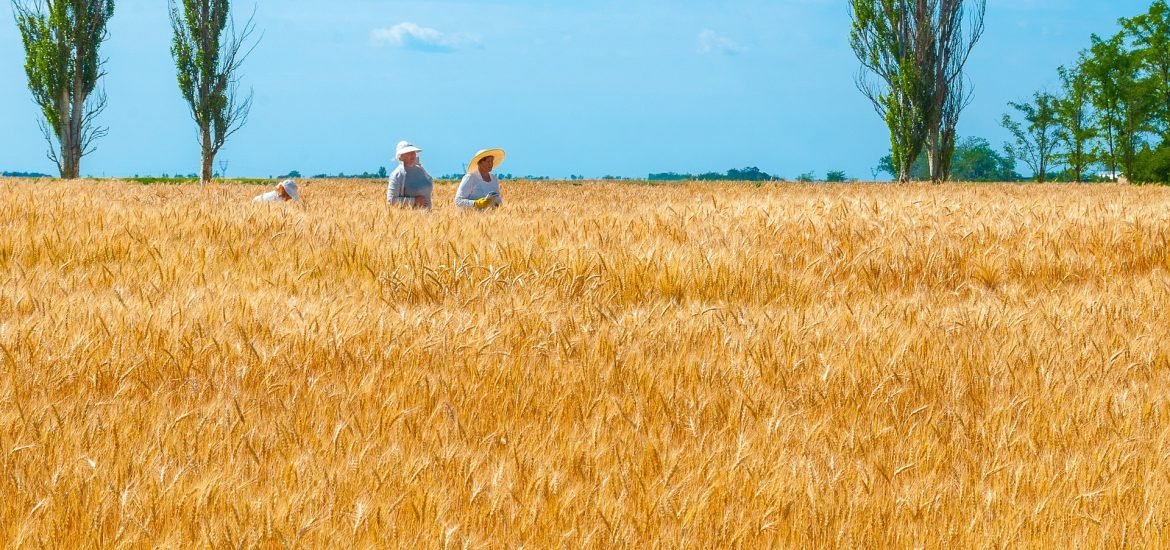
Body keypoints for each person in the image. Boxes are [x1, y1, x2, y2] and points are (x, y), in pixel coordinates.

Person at [387, 141, 434, 209]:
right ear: (401, 156)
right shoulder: (397, 175)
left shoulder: (421, 169)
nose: (412, 155)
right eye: (408, 153)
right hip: (409, 216)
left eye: (413, 152)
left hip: (428, 217)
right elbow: (391, 200)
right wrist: (414, 201)